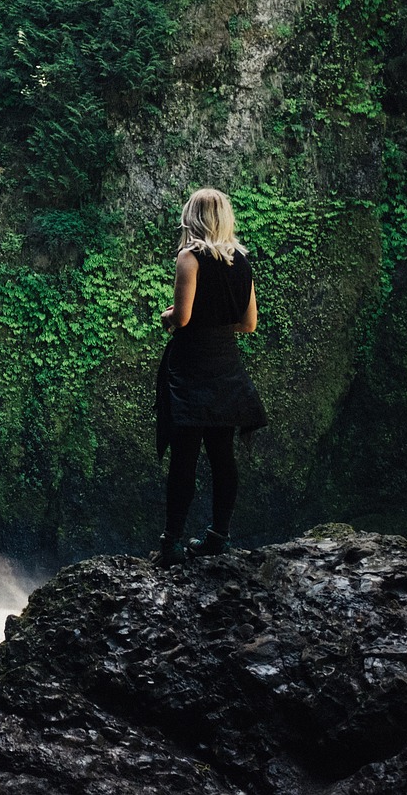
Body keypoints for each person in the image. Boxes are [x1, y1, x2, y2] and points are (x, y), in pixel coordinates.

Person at [154, 188, 267, 568]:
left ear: (193, 216)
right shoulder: (243, 262)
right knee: (223, 456)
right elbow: (248, 324)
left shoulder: (190, 257)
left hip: (192, 367)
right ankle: (218, 536)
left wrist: (168, 316)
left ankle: (171, 544)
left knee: (184, 456)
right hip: (225, 367)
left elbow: (182, 318)